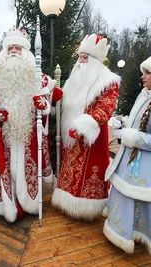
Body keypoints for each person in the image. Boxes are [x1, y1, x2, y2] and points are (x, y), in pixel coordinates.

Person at [103, 48, 151, 261]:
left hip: (147, 164)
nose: (143, 75)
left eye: (148, 72)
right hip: (129, 159)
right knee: (125, 194)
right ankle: (122, 231)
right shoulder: (145, 94)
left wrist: (128, 135)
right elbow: (138, 123)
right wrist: (124, 123)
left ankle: (140, 235)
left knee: (142, 196)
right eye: (144, 71)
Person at [0, 28, 59, 223]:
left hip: (28, 133)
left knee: (27, 168)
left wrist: (43, 105)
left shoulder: (39, 77)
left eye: (18, 47)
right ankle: (7, 205)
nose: (14, 51)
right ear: (4, 52)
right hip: (3, 133)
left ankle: (29, 204)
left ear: (26, 51)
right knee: (5, 168)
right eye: (10, 47)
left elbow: (47, 104)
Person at [51, 34, 121, 221]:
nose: (80, 61)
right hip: (72, 134)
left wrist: (86, 125)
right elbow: (68, 100)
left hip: (92, 136)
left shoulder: (109, 81)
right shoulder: (75, 79)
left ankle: (88, 208)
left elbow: (106, 108)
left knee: (88, 172)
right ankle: (67, 203)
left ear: (95, 60)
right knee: (70, 170)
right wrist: (57, 96)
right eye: (80, 57)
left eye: (85, 57)